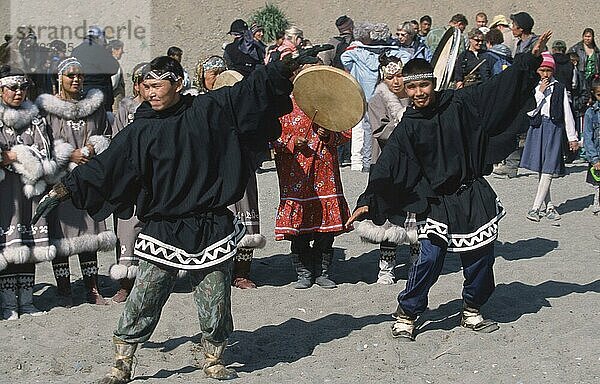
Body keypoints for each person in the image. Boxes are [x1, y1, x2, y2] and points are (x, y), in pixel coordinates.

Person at [31, 50, 319, 381]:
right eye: (145, 85)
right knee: (145, 297)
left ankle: (213, 356)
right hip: (164, 228)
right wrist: (63, 189)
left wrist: (279, 68)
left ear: (179, 83)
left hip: (210, 224)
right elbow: (106, 165)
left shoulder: (209, 110)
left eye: (158, 85)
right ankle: (123, 361)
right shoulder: (140, 130)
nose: (150, 92)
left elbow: (249, 93)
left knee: (216, 300)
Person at [346, 31, 554, 341]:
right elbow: (389, 163)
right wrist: (369, 198)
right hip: (437, 202)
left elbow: (498, 89)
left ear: (434, 82)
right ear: (405, 87)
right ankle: (408, 312)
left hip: (472, 194)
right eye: (412, 86)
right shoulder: (409, 126)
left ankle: (471, 309)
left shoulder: (459, 102)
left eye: (424, 85)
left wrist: (528, 59)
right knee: (429, 258)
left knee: (481, 258)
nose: (419, 92)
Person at [36, 57, 115, 307]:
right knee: (62, 234)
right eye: (71, 75)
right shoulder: (48, 109)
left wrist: (94, 146)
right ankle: (64, 289)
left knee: (89, 233)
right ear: (60, 78)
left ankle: (92, 287)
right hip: (60, 178)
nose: (76, 79)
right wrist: (68, 154)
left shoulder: (95, 105)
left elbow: (105, 133)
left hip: (88, 176)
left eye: (80, 75)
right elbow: (42, 142)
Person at [274, 64, 352, 289]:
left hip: (325, 172)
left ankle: (323, 271)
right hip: (295, 172)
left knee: (325, 228)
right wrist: (291, 142)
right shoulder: (282, 104)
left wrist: (329, 135)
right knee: (298, 227)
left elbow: (345, 132)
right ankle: (303, 272)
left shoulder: (330, 101)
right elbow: (270, 135)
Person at [0, 66, 61, 319]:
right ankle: (7, 304)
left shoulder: (35, 117)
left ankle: (26, 300)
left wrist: (15, 155)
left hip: (29, 187)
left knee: (28, 241)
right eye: (12, 88)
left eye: (23, 87)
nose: (18, 92)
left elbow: (45, 152)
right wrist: (19, 154)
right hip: (4, 189)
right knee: (6, 243)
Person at [358, 55, 418, 284]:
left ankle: (417, 265)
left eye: (399, 75)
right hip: (387, 166)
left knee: (415, 215)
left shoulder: (412, 98)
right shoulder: (376, 100)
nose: (395, 81)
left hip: (414, 166)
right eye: (390, 77)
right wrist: (408, 123)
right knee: (387, 217)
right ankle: (386, 268)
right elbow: (380, 132)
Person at [341, 22, 410, 172]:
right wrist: (392, 51)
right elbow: (407, 57)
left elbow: (344, 58)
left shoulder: (358, 53)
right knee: (382, 125)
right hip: (383, 93)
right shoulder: (389, 55)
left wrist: (358, 48)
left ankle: (365, 162)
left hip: (367, 94)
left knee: (366, 128)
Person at [521, 52, 579, 223]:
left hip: (554, 130)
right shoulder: (534, 87)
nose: (545, 74)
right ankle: (550, 206)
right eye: (542, 70)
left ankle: (535, 208)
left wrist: (572, 137)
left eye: (548, 70)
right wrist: (539, 93)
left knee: (549, 169)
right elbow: (530, 111)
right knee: (542, 169)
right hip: (538, 128)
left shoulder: (560, 87)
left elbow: (567, 113)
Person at [109, 62, 149, 303]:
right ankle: (125, 283)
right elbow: (117, 140)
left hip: (157, 177)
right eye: (146, 83)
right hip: (130, 178)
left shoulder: (161, 107)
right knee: (127, 227)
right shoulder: (125, 108)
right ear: (136, 85)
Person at [71, 26, 119, 111]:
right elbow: (114, 68)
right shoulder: (100, 50)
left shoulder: (76, 51)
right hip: (100, 92)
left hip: (81, 93)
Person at [583, 79, 600, 213]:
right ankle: (597, 200)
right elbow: (587, 137)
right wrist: (594, 158)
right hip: (597, 153)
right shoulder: (591, 113)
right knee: (598, 182)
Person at [109, 40, 126, 114]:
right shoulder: (114, 64)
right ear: (113, 50)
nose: (122, 52)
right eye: (120, 49)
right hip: (115, 102)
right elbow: (113, 84)